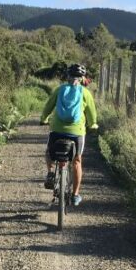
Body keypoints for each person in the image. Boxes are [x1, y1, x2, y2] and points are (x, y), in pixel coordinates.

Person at [39, 63, 98, 206]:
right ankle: (75, 195)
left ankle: (50, 172)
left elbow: (48, 106)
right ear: (82, 78)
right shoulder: (85, 93)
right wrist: (93, 124)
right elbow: (91, 114)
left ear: (67, 76)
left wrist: (44, 119)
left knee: (49, 151)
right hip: (76, 133)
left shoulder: (59, 90)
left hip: (57, 130)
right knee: (77, 161)